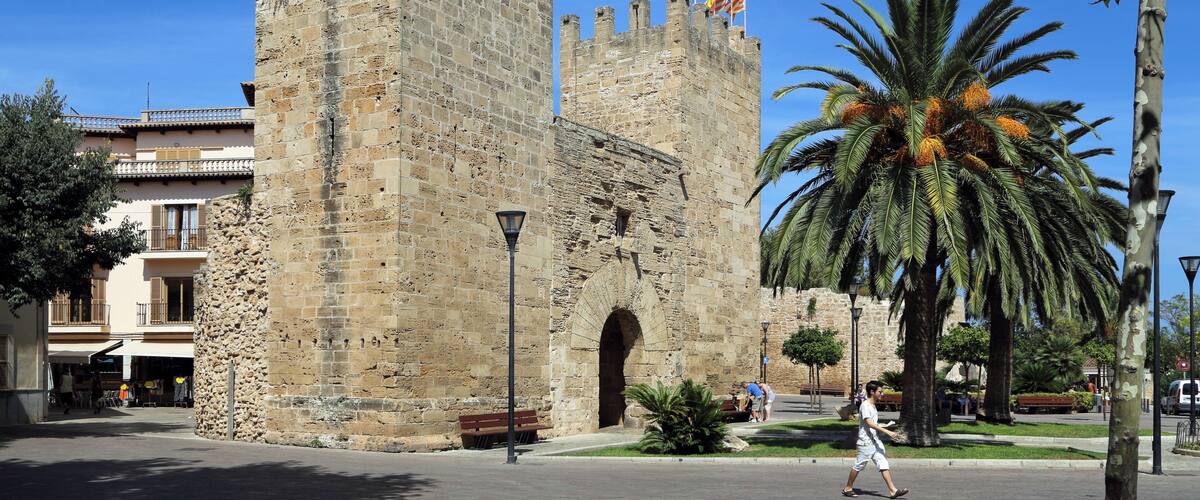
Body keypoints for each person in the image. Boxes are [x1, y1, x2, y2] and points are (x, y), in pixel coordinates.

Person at [842, 380, 908, 498]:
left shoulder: (873, 406)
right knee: (859, 465)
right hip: (865, 442)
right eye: (880, 392)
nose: (882, 394)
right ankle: (848, 488)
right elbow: (869, 423)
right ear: (872, 392)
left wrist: (885, 425)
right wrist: (887, 432)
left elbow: (873, 424)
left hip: (875, 441)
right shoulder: (865, 406)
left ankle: (893, 490)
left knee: (883, 463)